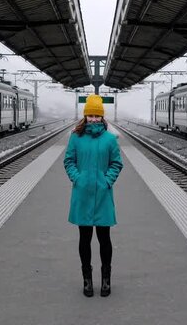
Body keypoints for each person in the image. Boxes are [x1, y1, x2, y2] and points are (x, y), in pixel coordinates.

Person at [64, 94, 123, 297]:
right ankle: (87, 281)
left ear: (102, 117)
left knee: (104, 238)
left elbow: (117, 163)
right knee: (84, 238)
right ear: (85, 116)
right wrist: (77, 179)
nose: (94, 119)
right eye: (90, 115)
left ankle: (106, 280)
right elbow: (69, 161)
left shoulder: (110, 139)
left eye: (97, 116)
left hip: (104, 195)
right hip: (82, 195)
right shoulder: (75, 137)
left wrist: (107, 181)